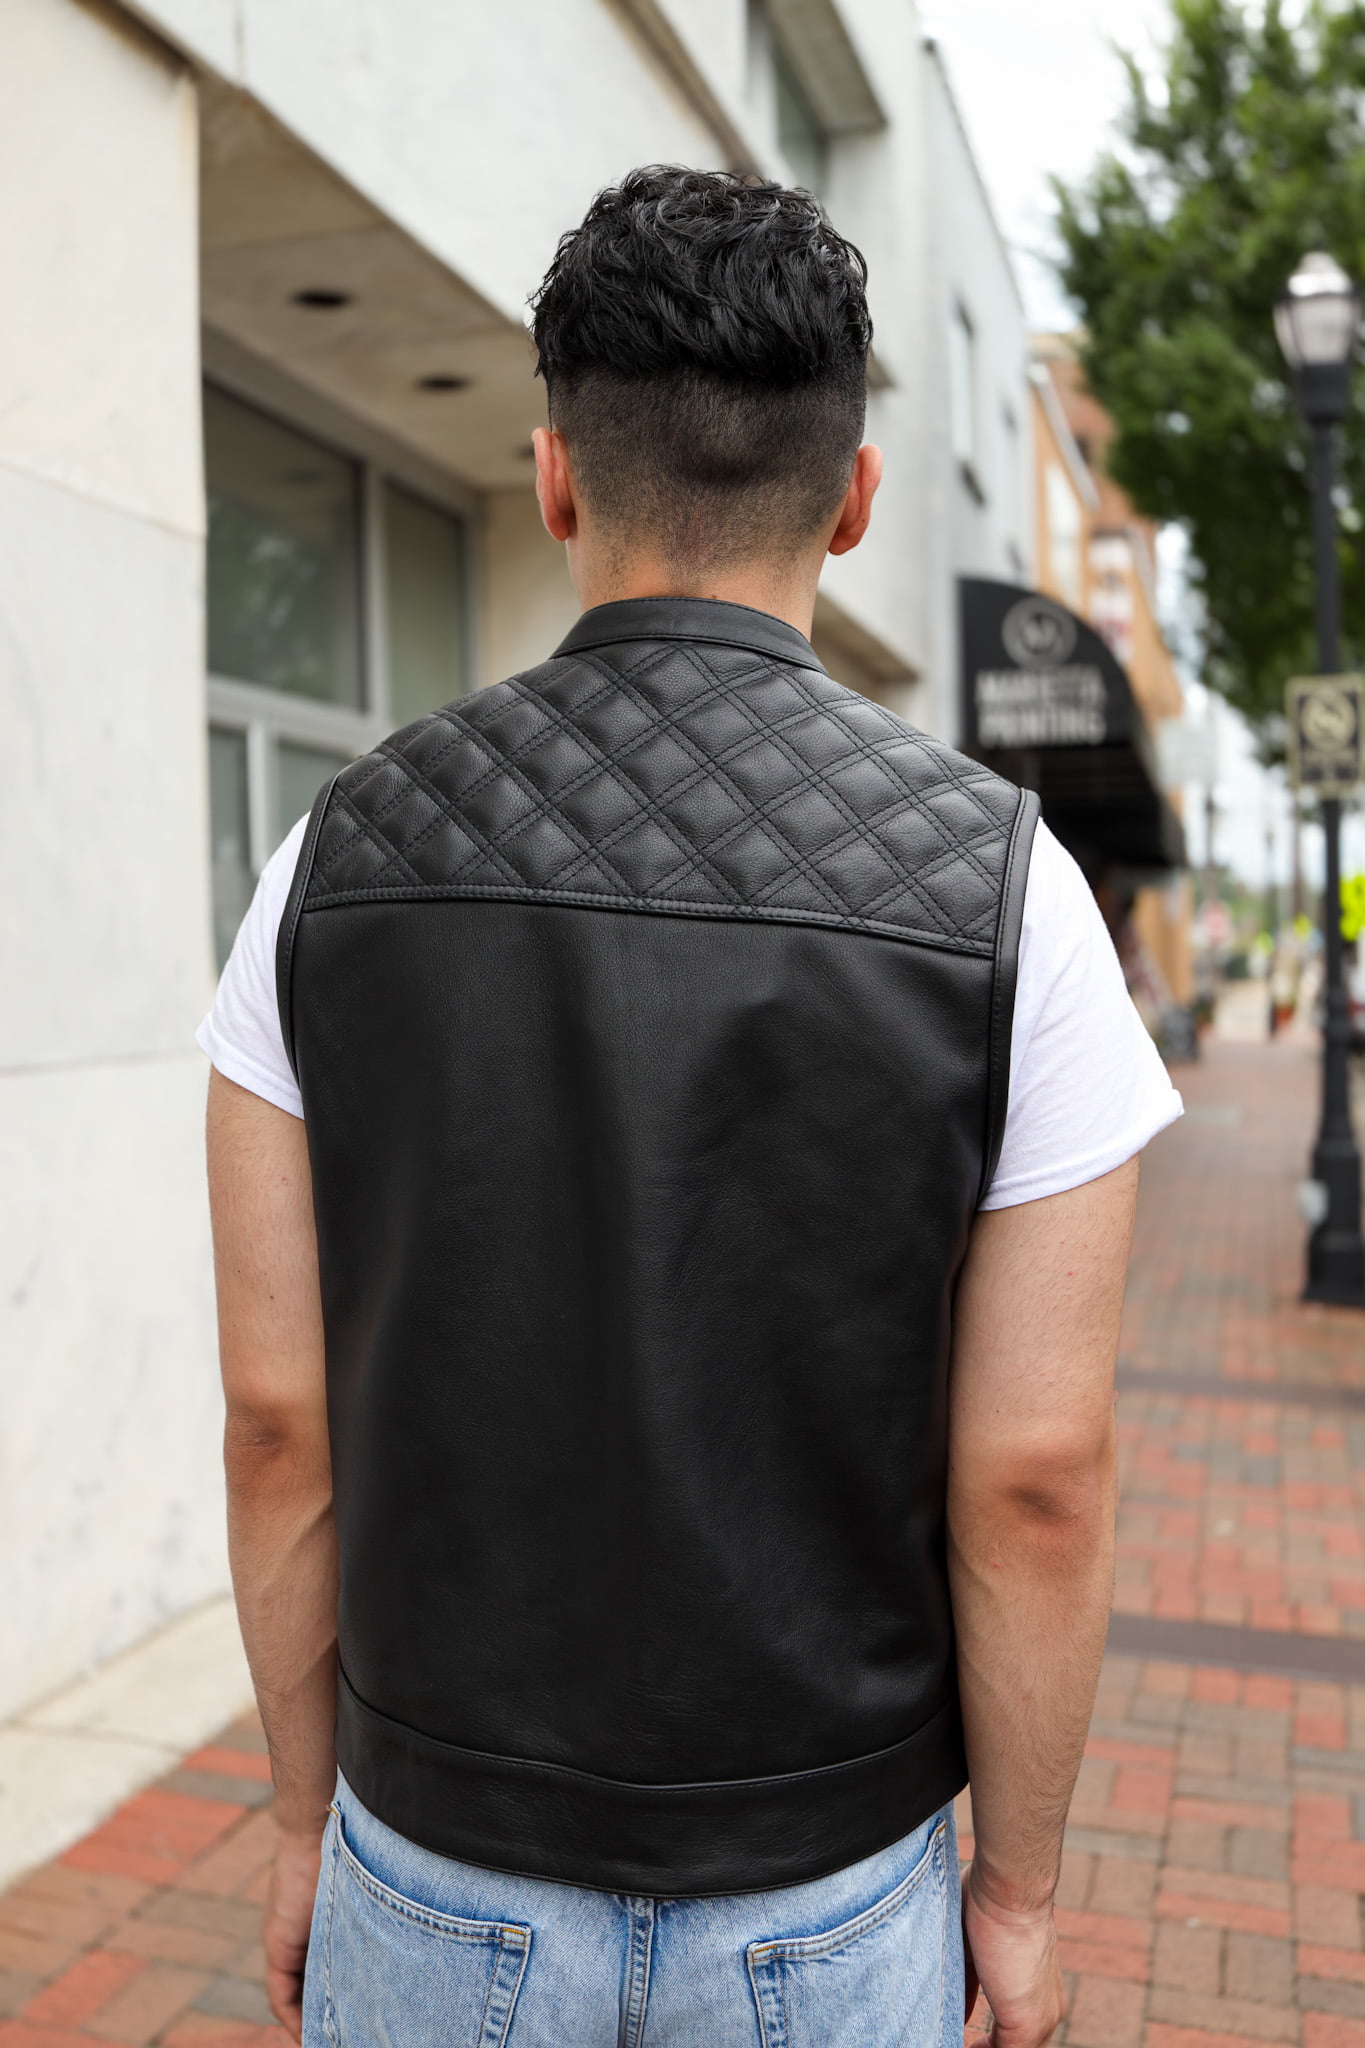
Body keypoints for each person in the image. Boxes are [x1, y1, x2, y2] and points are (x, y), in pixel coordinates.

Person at [201, 167, 1181, 2048]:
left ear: (555, 474)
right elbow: (1038, 1481)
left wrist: (293, 1824)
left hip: (433, 1867)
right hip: (826, 1890)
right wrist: (1021, 1897)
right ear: (857, 501)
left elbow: (276, 1432)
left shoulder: (334, 855)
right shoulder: (1009, 887)